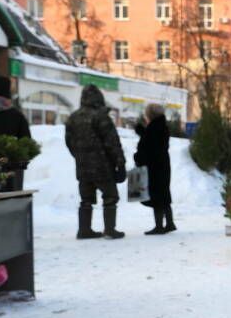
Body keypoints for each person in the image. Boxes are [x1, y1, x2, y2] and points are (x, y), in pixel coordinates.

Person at [65, 84, 126, 240]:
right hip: (102, 167)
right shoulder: (100, 116)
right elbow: (112, 142)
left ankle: (84, 230)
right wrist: (120, 163)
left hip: (82, 166)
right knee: (110, 196)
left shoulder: (73, 118)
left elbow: (69, 142)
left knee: (86, 199)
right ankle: (110, 230)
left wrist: (80, 156)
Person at [134, 103, 175, 235]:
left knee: (156, 194)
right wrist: (142, 132)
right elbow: (152, 141)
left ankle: (159, 226)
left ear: (150, 114)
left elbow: (147, 147)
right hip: (162, 163)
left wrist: (137, 158)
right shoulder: (161, 126)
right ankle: (169, 223)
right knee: (164, 193)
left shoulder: (153, 128)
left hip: (154, 166)